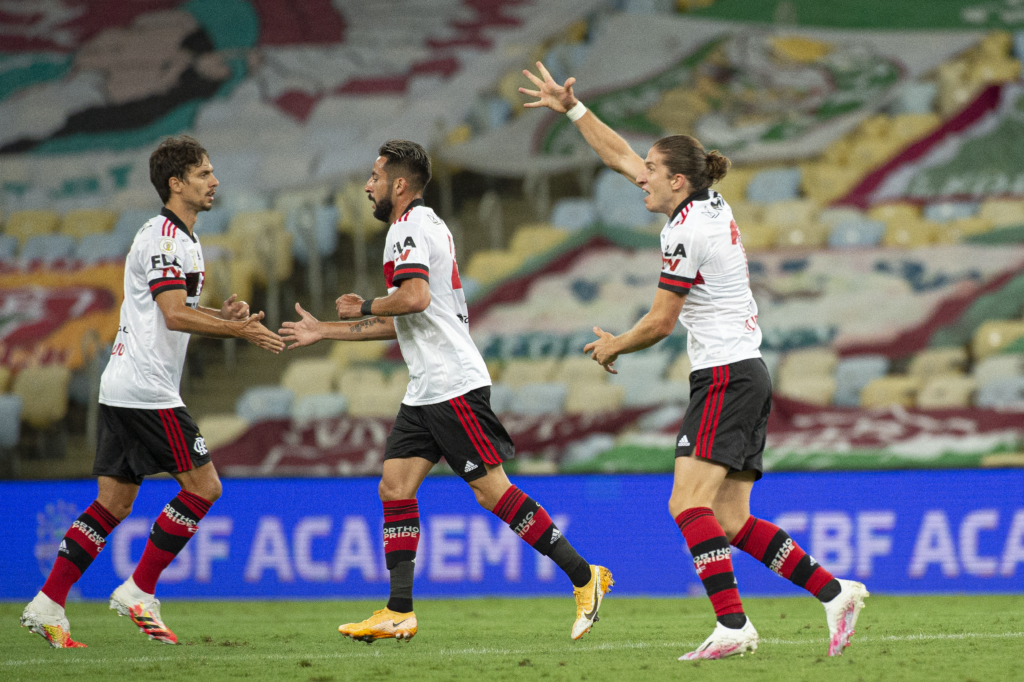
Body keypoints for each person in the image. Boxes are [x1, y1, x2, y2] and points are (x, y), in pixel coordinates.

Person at [520, 63, 869, 661]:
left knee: (687, 504)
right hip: (744, 372)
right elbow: (620, 157)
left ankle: (733, 626)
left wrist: (612, 345)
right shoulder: (707, 204)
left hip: (726, 377)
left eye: (653, 172)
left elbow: (659, 322)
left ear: (678, 181)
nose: (641, 179)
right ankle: (835, 594)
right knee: (730, 520)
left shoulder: (684, 234)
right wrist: (573, 110)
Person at [279, 139, 613, 644]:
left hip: (452, 384)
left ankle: (585, 576)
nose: (367, 186)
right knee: (394, 485)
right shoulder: (426, 226)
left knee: (490, 491)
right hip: (426, 386)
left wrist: (366, 303)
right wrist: (325, 331)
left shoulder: (408, 228)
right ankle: (398, 611)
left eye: (374, 177)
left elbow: (412, 299)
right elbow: (409, 322)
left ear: (398, 184)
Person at [20, 136, 285, 649]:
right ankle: (140, 590)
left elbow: (175, 309)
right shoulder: (165, 239)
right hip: (147, 390)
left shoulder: (181, 237)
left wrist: (222, 317)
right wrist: (239, 331)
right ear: (176, 182)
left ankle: (48, 603)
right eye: (204, 173)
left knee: (114, 502)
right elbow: (172, 313)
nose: (214, 181)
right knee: (204, 487)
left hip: (123, 384)